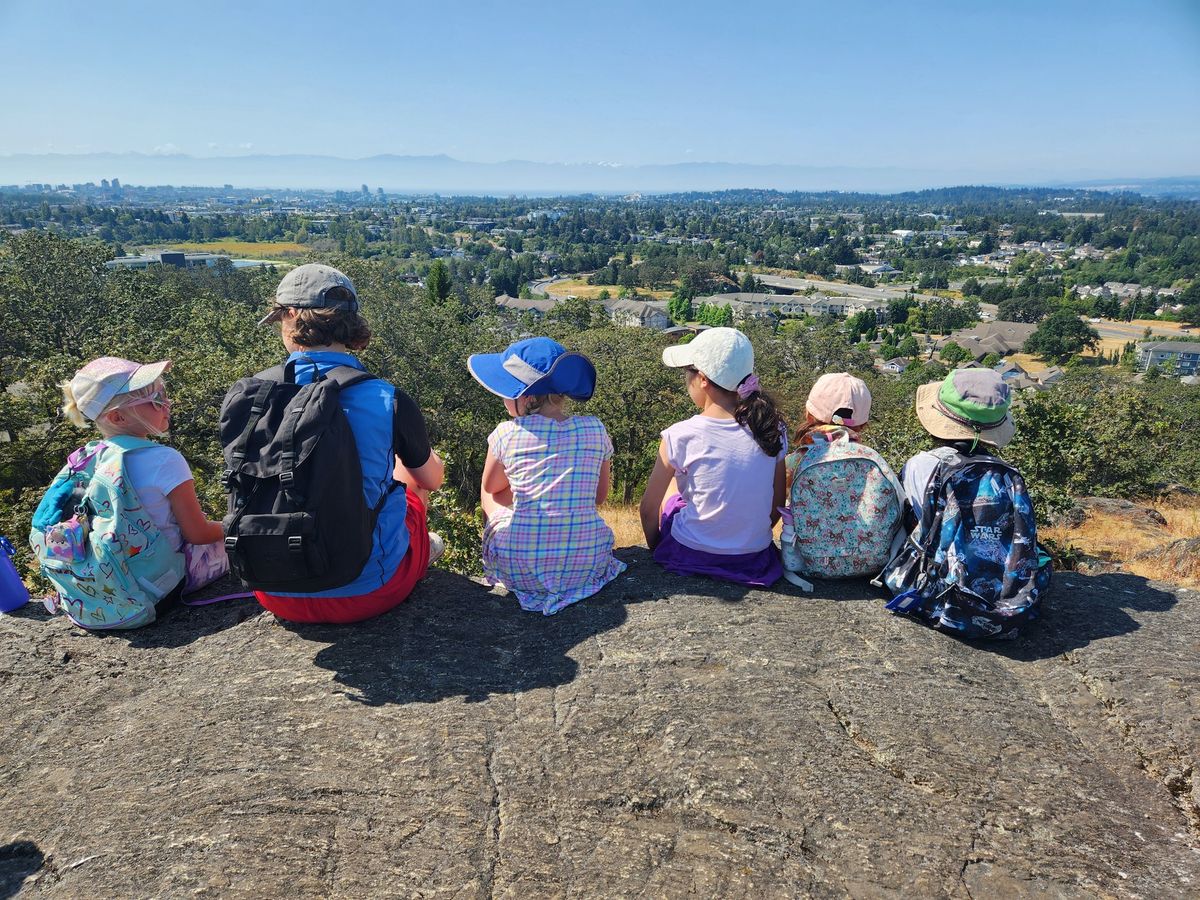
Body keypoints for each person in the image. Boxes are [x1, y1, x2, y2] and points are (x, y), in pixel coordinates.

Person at [251, 264, 445, 624]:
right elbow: (431, 479)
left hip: (271, 589)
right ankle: (417, 552)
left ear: (291, 316)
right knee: (410, 486)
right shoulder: (387, 398)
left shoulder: (251, 394)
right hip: (369, 592)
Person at [32, 357, 227, 627]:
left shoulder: (85, 458)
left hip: (106, 592)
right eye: (156, 398)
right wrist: (239, 524)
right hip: (159, 590)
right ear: (118, 416)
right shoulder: (164, 459)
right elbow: (198, 533)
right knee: (237, 537)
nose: (167, 404)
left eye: (165, 394)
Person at [882, 368, 1050, 639]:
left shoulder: (921, 465)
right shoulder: (1008, 474)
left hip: (942, 596)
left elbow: (915, 522)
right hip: (1009, 603)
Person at [467, 336, 625, 615]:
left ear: (526, 398)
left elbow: (493, 488)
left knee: (491, 493)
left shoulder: (506, 434)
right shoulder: (594, 429)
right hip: (588, 563)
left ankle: (508, 551)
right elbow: (600, 497)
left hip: (521, 570)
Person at [640, 327, 787, 586]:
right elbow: (776, 500)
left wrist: (659, 549)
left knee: (674, 484)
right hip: (753, 558)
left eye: (688, 372)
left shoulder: (680, 435)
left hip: (691, 553)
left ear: (703, 379)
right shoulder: (772, 428)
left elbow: (648, 511)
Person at [781, 373, 903, 590]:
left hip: (811, 562)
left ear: (808, 414)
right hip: (873, 564)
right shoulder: (871, 459)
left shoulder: (798, 459)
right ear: (863, 424)